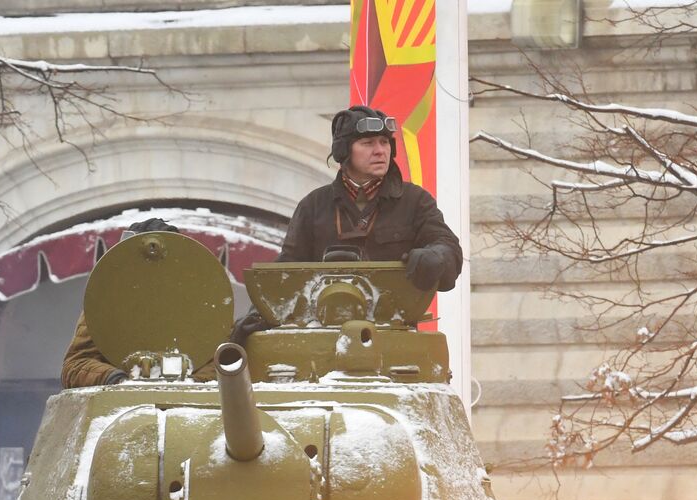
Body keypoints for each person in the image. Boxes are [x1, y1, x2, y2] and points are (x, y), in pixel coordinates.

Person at [277, 105, 463, 294]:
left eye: (384, 142)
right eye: (368, 143)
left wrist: (437, 256)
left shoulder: (415, 200)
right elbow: (284, 272)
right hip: (325, 320)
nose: (380, 151)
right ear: (343, 151)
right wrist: (259, 316)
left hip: (395, 319)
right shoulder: (313, 205)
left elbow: (448, 246)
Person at [61, 218, 261, 387]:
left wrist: (191, 382)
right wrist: (117, 379)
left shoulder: (202, 305)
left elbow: (222, 361)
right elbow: (76, 366)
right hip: (122, 409)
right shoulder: (107, 305)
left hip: (187, 411)